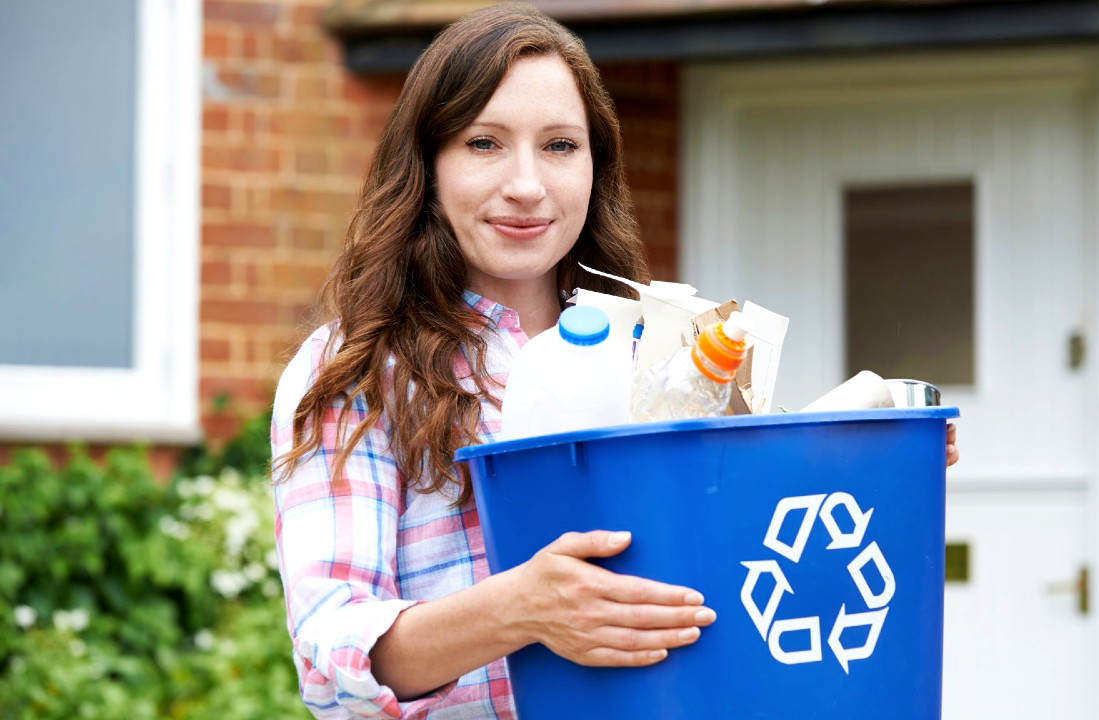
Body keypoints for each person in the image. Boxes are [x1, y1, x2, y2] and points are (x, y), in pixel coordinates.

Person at [270, 4, 960, 720]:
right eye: (484, 143)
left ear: (596, 165)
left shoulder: (665, 348)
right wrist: (519, 610)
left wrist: (875, 466)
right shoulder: (361, 367)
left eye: (561, 145)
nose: (528, 185)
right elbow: (330, 656)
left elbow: (744, 541)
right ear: (428, 165)